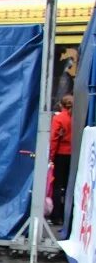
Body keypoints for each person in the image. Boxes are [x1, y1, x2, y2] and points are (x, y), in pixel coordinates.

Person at [49, 94, 74, 226]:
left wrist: (51, 157)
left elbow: (53, 139)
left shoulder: (59, 119)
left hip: (60, 154)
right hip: (73, 155)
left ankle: (56, 216)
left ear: (61, 105)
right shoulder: (76, 118)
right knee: (70, 185)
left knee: (57, 186)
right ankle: (68, 216)